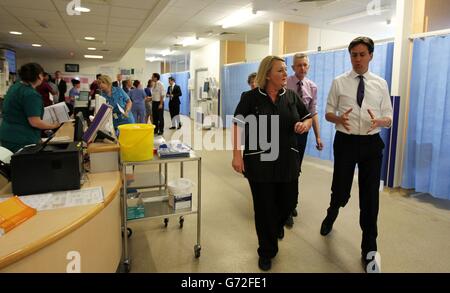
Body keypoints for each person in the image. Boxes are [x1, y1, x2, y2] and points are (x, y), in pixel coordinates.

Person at [232, 55, 312, 271]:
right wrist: (237, 155)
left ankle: (276, 226)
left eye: (286, 70)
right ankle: (266, 251)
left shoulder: (292, 97)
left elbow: (308, 116)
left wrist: (306, 125)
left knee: (287, 203)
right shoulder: (250, 98)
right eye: (281, 71)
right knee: (264, 207)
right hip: (259, 162)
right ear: (267, 74)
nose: (286, 74)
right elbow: (238, 124)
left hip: (288, 160)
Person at [321, 37, 393, 272]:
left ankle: (369, 249)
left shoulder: (380, 83)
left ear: (371, 55)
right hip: (346, 143)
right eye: (354, 55)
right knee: (341, 190)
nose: (358, 59)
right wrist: (338, 118)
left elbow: (389, 117)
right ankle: (332, 211)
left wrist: (382, 120)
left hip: (372, 145)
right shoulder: (339, 82)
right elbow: (328, 113)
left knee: (370, 198)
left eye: (362, 54)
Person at [285, 53, 323, 228]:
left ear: (308, 67)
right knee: (286, 168)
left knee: (296, 169)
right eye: (299, 65)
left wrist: (317, 136)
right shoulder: (285, 84)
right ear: (293, 67)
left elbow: (313, 112)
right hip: (285, 131)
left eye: (305, 65)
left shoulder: (312, 87)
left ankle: (292, 203)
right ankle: (286, 207)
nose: (302, 68)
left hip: (302, 133)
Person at [0, 63, 60, 153]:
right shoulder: (31, 94)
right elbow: (35, 122)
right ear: (39, 76)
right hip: (22, 139)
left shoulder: (15, 87)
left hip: (8, 135)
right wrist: (53, 125)